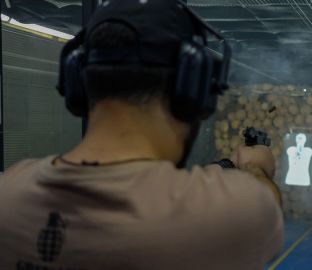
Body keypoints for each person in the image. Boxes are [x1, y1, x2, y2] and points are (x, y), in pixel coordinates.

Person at [0, 1, 283, 269]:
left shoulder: (9, 194)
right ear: (194, 93)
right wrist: (253, 166)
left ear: (77, 84)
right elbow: (266, 203)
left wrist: (227, 165)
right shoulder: (229, 212)